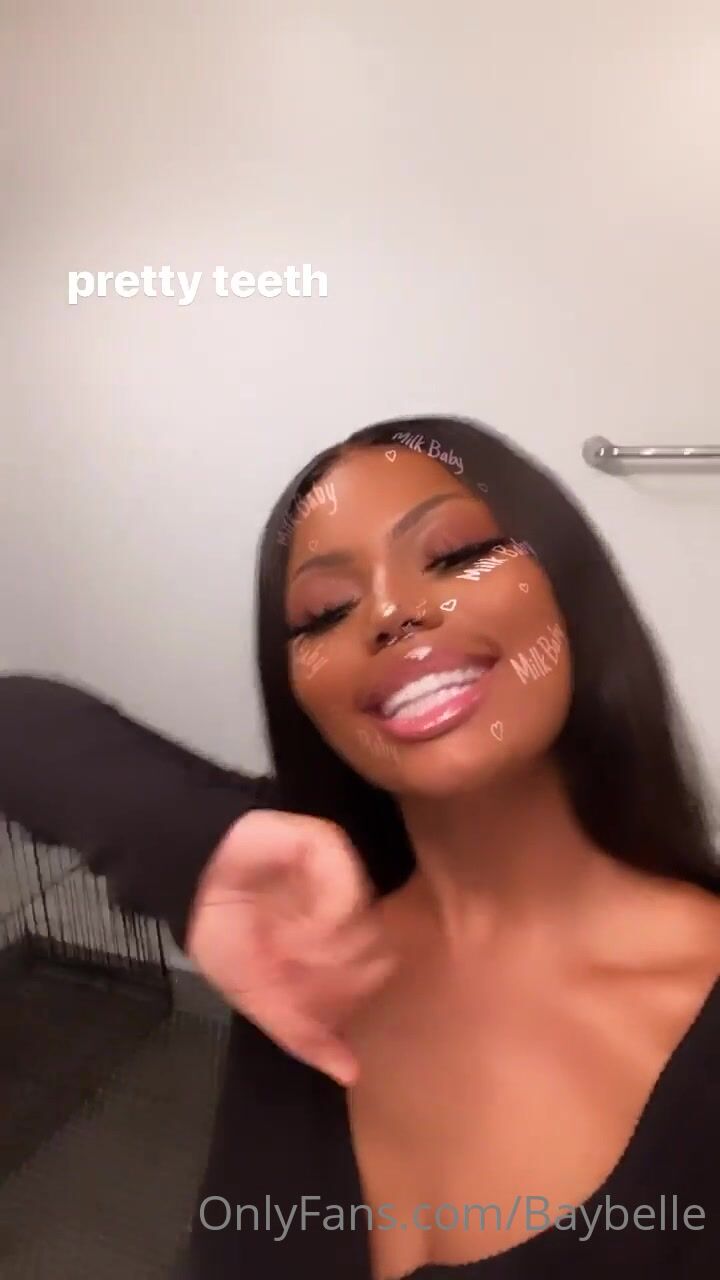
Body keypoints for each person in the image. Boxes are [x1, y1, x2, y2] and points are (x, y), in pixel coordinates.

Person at [1, 414, 718, 1279]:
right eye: (326, 612)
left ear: (570, 589)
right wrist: (197, 849)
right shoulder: (304, 917)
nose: (390, 612)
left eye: (456, 554)